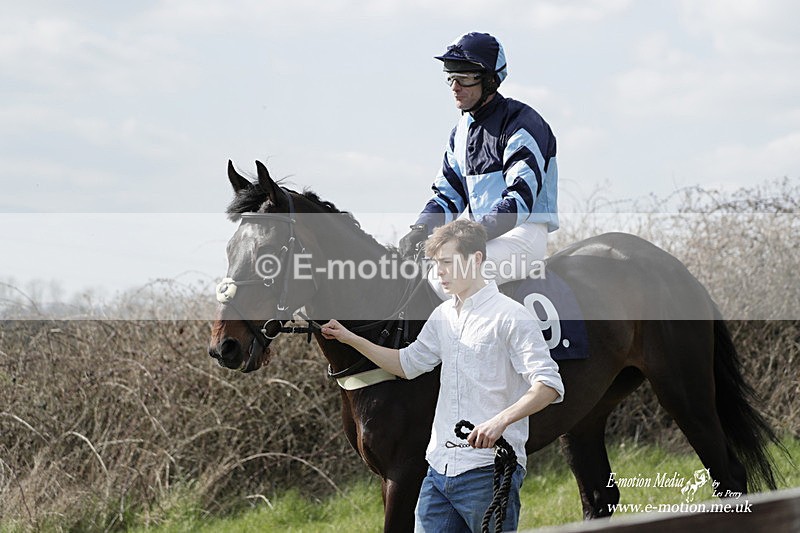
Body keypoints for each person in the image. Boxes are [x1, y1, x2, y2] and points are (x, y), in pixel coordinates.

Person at [322, 219, 564, 532]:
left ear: (476, 259)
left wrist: (500, 421)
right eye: (436, 264)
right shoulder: (442, 316)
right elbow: (406, 364)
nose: (440, 272)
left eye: (447, 263)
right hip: (437, 474)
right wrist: (349, 338)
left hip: (486, 471)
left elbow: (547, 385)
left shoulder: (512, 316)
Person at [399, 32, 559, 299]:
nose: (454, 86)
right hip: (479, 236)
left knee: (452, 274)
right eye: (451, 77)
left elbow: (520, 198)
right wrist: (421, 229)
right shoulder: (460, 132)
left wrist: (472, 233)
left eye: (464, 78)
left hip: (523, 233)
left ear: (490, 80)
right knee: (410, 274)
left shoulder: (522, 123)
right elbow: (447, 197)